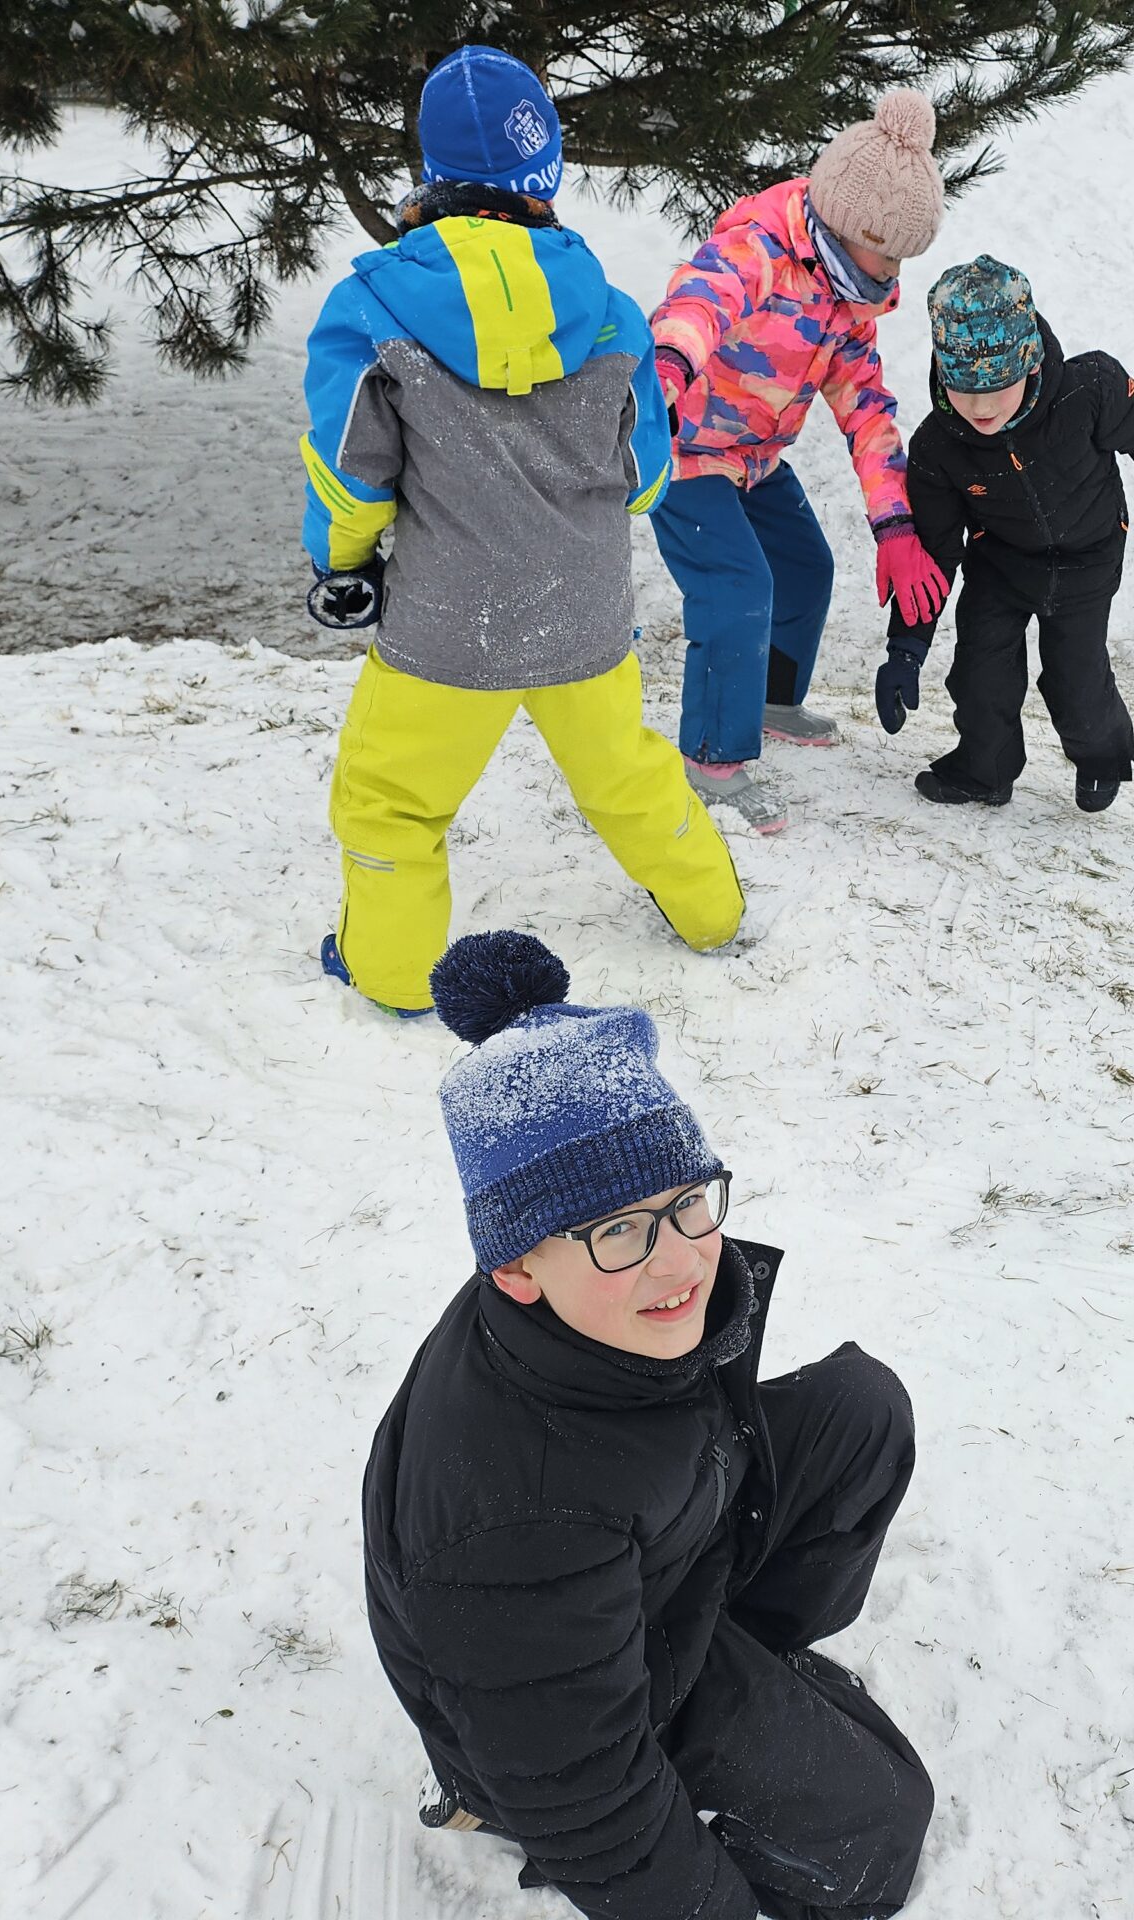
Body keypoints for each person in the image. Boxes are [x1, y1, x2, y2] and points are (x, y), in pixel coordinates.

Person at [365, 930, 933, 1920]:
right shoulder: (514, 1521)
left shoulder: (594, 1308)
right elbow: (581, 1797)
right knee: (877, 1824)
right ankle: (642, 1742)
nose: (679, 1262)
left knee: (861, 1412)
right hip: (552, 1708)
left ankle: (744, 1667)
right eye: (618, 1229)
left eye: (685, 1204)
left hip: (655, 1567)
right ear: (514, 1267)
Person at [299, 47, 742, 1016]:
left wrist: (340, 562)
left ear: (429, 171)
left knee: (391, 802)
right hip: (584, 613)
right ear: (546, 174)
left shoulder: (372, 308)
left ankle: (393, 974)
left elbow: (350, 473)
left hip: (446, 627)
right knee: (627, 777)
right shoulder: (611, 315)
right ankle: (712, 912)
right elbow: (646, 482)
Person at [648, 90, 952, 835]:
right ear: (851, 228)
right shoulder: (758, 249)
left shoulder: (851, 301)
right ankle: (712, 759)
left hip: (754, 458)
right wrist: (665, 369)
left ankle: (771, 700)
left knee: (806, 567)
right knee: (737, 586)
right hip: (686, 449)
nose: (895, 270)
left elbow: (866, 410)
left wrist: (894, 524)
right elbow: (698, 303)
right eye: (890, 252)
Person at [872, 256, 1134, 812]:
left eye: (996, 388)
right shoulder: (937, 449)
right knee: (980, 674)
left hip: (1090, 555)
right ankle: (984, 771)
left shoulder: (1088, 390)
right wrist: (906, 646)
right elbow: (934, 552)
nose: (980, 409)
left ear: (1028, 362)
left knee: (1077, 680)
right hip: (999, 564)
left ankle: (1101, 759)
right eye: (963, 389)